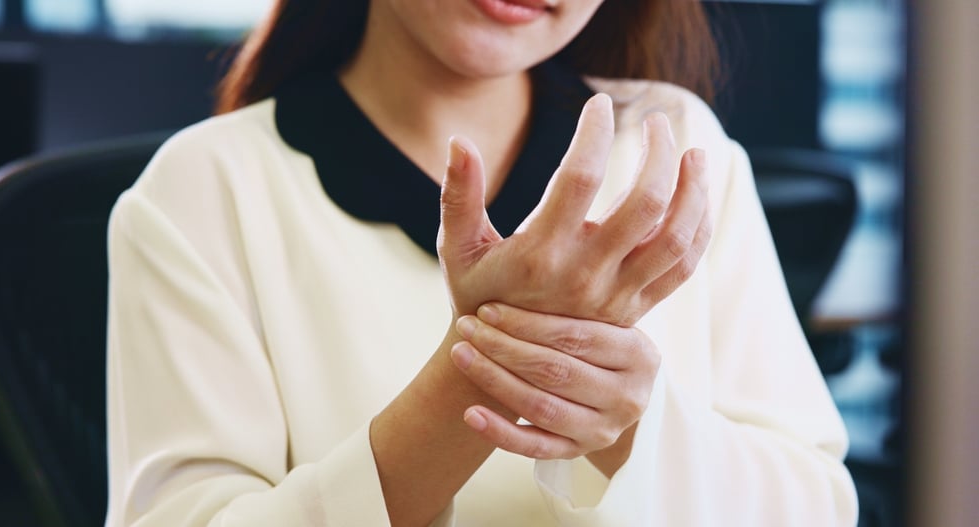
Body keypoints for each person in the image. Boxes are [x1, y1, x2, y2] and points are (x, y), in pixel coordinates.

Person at [105, 0, 858, 525]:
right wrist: (484, 371)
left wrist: (629, 423)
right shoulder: (201, 193)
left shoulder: (676, 147)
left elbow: (815, 505)